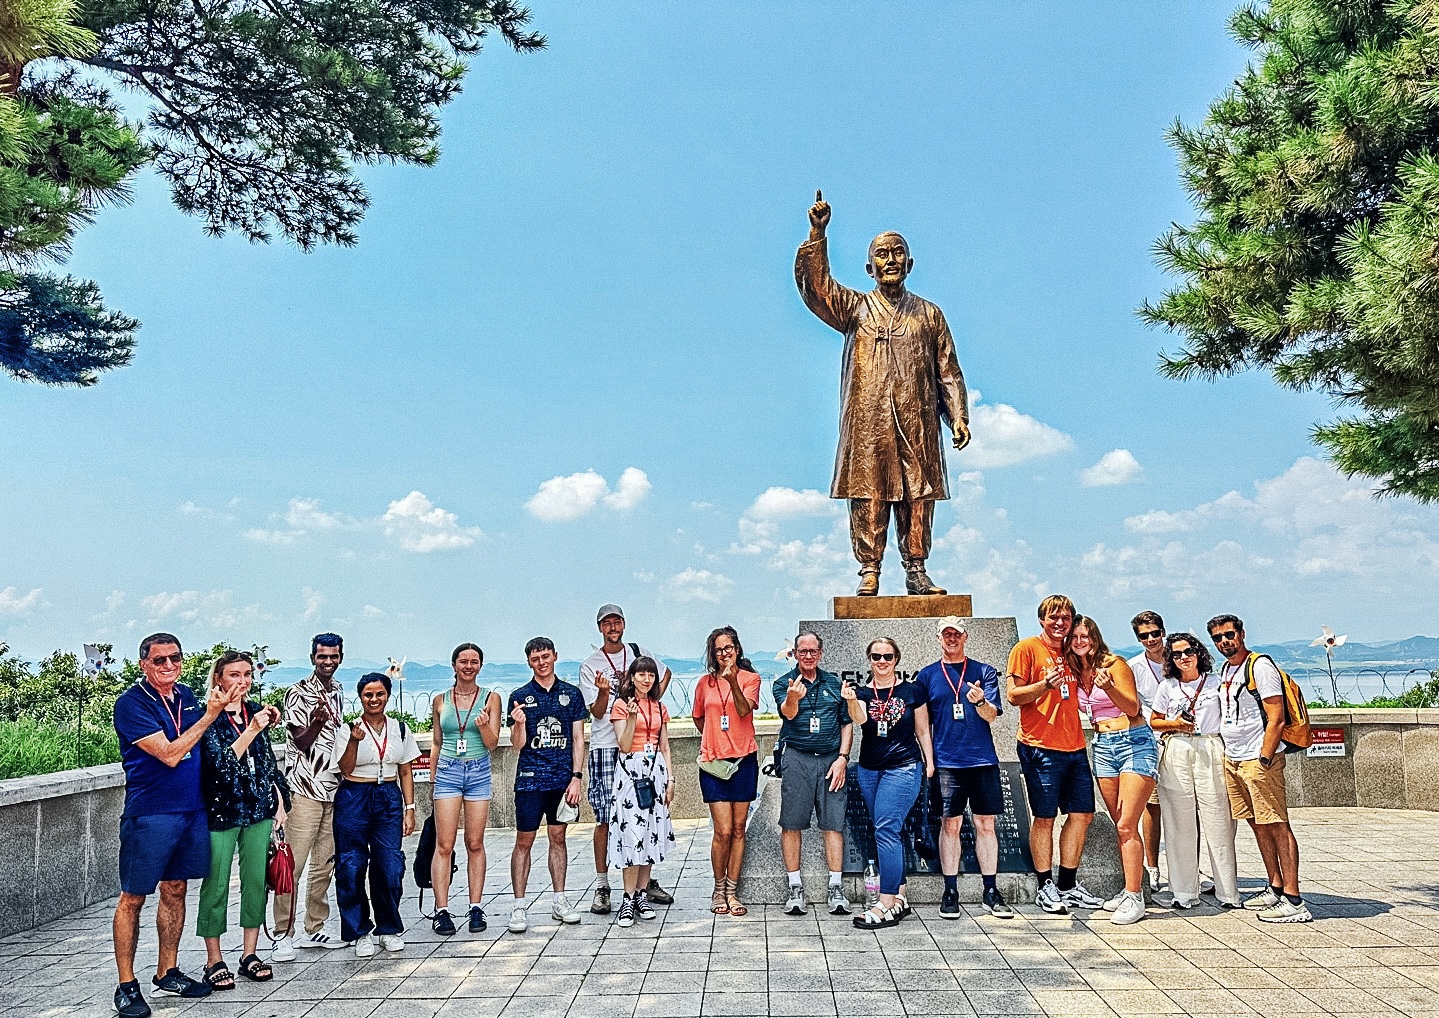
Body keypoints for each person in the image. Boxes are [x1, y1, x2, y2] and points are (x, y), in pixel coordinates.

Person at [795, 190, 971, 596]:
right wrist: (818, 233)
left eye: (897, 254)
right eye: (882, 254)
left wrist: (957, 415)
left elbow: (948, 369)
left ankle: (916, 568)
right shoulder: (854, 308)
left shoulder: (929, 315)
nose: (890, 260)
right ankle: (869, 568)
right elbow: (816, 287)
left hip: (917, 422)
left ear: (909, 264)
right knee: (868, 495)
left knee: (917, 497)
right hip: (868, 422)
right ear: (869, 266)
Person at [112, 633, 239, 1018]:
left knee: (176, 889)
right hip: (150, 812)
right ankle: (126, 984)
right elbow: (169, 753)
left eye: (175, 659)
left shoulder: (187, 695)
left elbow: (211, 740)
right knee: (133, 897)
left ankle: (167, 971)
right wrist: (210, 715)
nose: (168, 666)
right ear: (143, 665)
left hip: (191, 809)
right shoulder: (131, 703)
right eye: (159, 660)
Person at [196, 650, 291, 988]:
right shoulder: (207, 714)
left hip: (257, 810)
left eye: (247, 674)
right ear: (218, 678)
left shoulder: (256, 712)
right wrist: (250, 730)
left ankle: (249, 953)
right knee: (216, 883)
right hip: (221, 812)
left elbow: (266, 760)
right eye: (234, 675)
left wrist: (279, 799)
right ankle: (213, 958)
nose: (242, 681)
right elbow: (220, 766)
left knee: (255, 882)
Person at [1210, 615, 1311, 922]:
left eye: (1229, 634)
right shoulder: (1226, 669)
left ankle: (1294, 900)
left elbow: (1276, 716)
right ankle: (1275, 885)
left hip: (1258, 759)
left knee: (1277, 824)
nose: (1225, 641)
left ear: (1241, 634)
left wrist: (1265, 758)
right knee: (1257, 823)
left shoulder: (1260, 666)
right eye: (1218, 638)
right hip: (1235, 757)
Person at [1005, 595, 1102, 914]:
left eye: (1066, 617)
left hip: (1074, 746)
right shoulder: (1026, 649)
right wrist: (1044, 685)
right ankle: (1045, 884)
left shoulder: (1073, 650)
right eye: (1054, 617)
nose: (1060, 623)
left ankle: (1068, 885)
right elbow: (1014, 696)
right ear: (1042, 620)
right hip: (1039, 746)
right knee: (1045, 817)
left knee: (1082, 814)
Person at [578, 604, 675, 915]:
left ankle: (642, 887)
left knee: (646, 821)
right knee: (607, 818)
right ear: (599, 628)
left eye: (617, 621)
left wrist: (650, 699)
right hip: (609, 746)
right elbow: (595, 711)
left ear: (624, 624)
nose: (613, 627)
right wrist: (609, 695)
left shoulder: (637, 651)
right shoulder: (590, 665)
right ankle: (604, 884)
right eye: (607, 623)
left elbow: (666, 672)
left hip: (646, 751)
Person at [914, 617, 1013, 919]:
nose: (952, 638)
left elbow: (992, 715)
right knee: (950, 826)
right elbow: (922, 724)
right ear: (939, 637)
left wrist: (980, 701)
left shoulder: (983, 671)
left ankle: (991, 891)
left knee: (986, 825)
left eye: (957, 633)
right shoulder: (927, 676)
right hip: (947, 763)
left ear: (965, 636)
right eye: (947, 634)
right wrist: (929, 761)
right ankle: (950, 890)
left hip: (982, 760)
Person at [1068, 616, 1157, 925]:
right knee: (1121, 822)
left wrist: (1110, 688)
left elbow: (1133, 708)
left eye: (1085, 636)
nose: (1080, 641)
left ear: (1095, 636)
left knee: (1126, 825)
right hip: (1103, 747)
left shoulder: (1114, 665)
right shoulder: (1076, 673)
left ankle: (1135, 897)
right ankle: (1129, 888)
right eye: (1075, 637)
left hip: (1133, 742)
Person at [843, 637, 932, 928]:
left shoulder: (912, 690)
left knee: (886, 830)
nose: (882, 662)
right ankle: (900, 897)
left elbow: (922, 730)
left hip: (903, 768)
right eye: (877, 656)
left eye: (888, 657)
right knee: (888, 831)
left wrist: (929, 763)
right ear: (869, 659)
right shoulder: (861, 692)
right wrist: (851, 700)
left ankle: (885, 902)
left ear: (897, 659)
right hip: (870, 770)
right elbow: (859, 720)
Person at [272, 632, 348, 960]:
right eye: (322, 656)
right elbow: (301, 742)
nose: (327, 662)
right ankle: (282, 934)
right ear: (312, 657)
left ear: (340, 657)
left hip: (334, 789)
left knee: (324, 865)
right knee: (293, 865)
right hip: (304, 790)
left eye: (333, 656)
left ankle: (314, 928)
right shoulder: (297, 693)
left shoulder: (340, 691)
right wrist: (317, 722)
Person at [1150, 633, 1240, 909]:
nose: (1183, 657)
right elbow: (1154, 720)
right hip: (1177, 746)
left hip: (1210, 745)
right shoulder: (1167, 686)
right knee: (1179, 822)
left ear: (1198, 652)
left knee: (1219, 819)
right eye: (1176, 654)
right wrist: (1175, 722)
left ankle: (1227, 891)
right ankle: (1184, 892)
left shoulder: (1216, 682)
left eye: (1188, 651)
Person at [334, 672, 420, 957]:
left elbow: (406, 769)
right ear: (360, 697)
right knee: (351, 865)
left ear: (387, 695)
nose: (374, 699)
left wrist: (409, 809)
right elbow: (345, 769)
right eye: (368, 694)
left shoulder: (400, 728)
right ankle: (358, 932)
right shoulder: (349, 728)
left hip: (388, 797)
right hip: (354, 796)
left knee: (389, 864)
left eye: (379, 694)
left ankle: (388, 927)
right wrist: (355, 742)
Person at [506, 637, 588, 932]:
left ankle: (560, 900)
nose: (541, 662)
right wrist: (518, 724)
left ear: (555, 656)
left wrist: (576, 778)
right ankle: (519, 906)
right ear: (528, 662)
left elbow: (578, 738)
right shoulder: (519, 696)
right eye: (535, 658)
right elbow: (517, 746)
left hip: (562, 782)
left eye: (545, 656)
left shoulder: (571, 694)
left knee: (558, 839)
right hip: (529, 782)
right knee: (524, 842)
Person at [773, 630, 853, 917]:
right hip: (797, 758)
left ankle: (836, 886)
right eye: (802, 651)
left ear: (820, 653)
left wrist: (843, 758)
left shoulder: (834, 683)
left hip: (831, 759)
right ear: (794, 653)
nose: (808, 656)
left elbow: (847, 723)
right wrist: (793, 698)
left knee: (833, 823)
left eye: (813, 651)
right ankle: (795, 887)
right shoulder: (784, 683)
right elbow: (788, 714)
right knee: (792, 823)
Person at [428, 642, 502, 936]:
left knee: (475, 843)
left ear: (480, 666)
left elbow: (493, 742)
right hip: (447, 771)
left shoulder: (490, 698)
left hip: (478, 770)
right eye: (463, 661)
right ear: (454, 665)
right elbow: (436, 741)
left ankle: (475, 906)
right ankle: (442, 909)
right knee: (444, 844)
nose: (468, 666)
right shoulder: (440, 700)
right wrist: (434, 775)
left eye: (474, 662)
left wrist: (483, 726)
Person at [693, 625, 762, 917]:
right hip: (713, 763)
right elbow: (699, 719)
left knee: (737, 829)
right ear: (713, 652)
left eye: (729, 648)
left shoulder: (750, 678)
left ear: (737, 649)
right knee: (721, 831)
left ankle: (732, 891)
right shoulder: (703, 683)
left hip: (743, 761)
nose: (724, 654)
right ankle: (718, 888)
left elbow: (745, 711)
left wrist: (733, 682)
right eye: (719, 649)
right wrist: (715, 740)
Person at [607, 657, 677, 927]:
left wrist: (670, 779)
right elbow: (624, 745)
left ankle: (640, 893)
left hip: (655, 771)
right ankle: (627, 896)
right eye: (641, 675)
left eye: (651, 675)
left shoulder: (659, 707)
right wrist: (633, 718)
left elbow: (665, 746)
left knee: (650, 832)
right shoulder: (622, 705)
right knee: (632, 833)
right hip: (630, 772)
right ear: (632, 677)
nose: (646, 680)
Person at [1127, 611, 1167, 891]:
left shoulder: (1180, 656)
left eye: (1155, 633)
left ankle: (1191, 867)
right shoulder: (1133, 667)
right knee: (1151, 807)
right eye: (1144, 635)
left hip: (1184, 739)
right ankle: (1152, 867)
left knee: (1187, 808)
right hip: (1150, 741)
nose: (1151, 639)